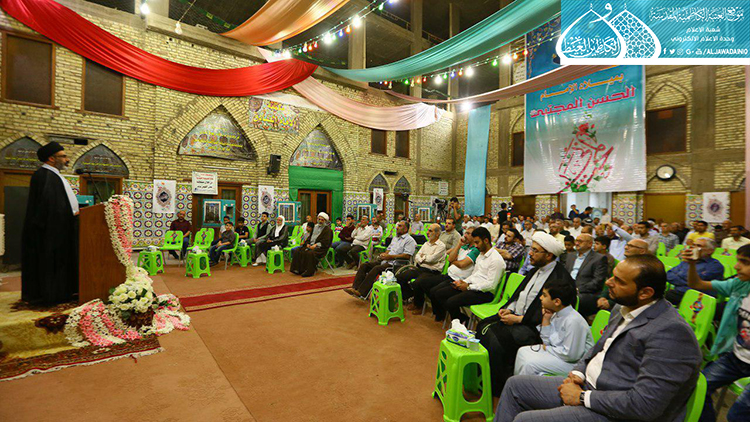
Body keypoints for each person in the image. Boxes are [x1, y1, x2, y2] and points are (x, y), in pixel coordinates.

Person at [496, 254, 703, 422]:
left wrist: (582, 397)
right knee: (515, 386)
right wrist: (578, 373)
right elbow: (597, 349)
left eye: (619, 281)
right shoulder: (622, 308)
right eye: (613, 276)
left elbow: (646, 405)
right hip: (590, 386)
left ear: (645, 293)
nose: (608, 282)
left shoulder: (671, 333)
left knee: (525, 419)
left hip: (618, 412)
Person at [476, 232, 572, 395]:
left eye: (535, 250)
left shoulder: (561, 279)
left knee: (495, 341)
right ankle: (482, 378)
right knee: (483, 326)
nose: (530, 253)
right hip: (517, 317)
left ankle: (498, 387)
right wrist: (510, 308)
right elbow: (520, 295)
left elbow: (554, 314)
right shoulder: (535, 270)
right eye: (531, 249)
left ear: (549, 255)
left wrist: (519, 319)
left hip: (535, 327)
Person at [685, 244, 750, 422]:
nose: (736, 266)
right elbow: (696, 284)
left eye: (745, 262)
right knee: (696, 388)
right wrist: (692, 265)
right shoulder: (740, 285)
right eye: (738, 261)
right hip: (736, 358)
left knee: (737, 415)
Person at [21, 141, 79, 305]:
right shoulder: (44, 176)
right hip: (51, 232)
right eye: (63, 156)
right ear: (51, 158)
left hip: (59, 228)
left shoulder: (53, 175)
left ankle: (63, 292)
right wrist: (70, 214)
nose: (67, 160)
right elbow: (50, 207)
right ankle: (52, 295)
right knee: (50, 263)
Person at [514, 278, 594, 376]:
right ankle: (516, 383)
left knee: (529, 364)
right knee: (522, 351)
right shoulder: (556, 314)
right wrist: (546, 319)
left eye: (544, 295)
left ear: (557, 301)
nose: (541, 298)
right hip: (559, 354)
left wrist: (548, 349)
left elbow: (571, 355)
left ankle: (523, 385)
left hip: (575, 364)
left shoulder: (573, 321)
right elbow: (547, 342)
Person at [428, 227, 504, 324]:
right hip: (472, 286)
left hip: (484, 293)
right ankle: (460, 319)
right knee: (440, 293)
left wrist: (468, 287)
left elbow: (491, 285)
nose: (475, 246)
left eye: (477, 242)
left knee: (451, 301)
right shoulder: (481, 255)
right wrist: (463, 282)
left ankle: (460, 321)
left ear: (486, 241)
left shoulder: (496, 260)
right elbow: (475, 274)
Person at [408, 227, 479, 314]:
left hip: (459, 279)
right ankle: (438, 311)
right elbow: (450, 259)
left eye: (468, 233)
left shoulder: (475, 250)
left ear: (475, 237)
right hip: (449, 275)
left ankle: (442, 313)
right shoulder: (464, 246)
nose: (465, 235)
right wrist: (459, 244)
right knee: (424, 283)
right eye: (465, 233)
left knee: (436, 292)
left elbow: (462, 264)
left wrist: (453, 261)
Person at [344, 220, 416, 298]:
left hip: (396, 264)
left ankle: (361, 292)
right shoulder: (395, 238)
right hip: (386, 261)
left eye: (400, 226)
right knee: (364, 265)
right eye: (397, 225)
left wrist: (390, 257)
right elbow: (389, 249)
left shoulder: (410, 240)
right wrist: (385, 254)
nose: (397, 227)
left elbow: (407, 256)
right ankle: (355, 288)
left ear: (405, 229)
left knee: (376, 268)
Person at [595, 238, 650, 314]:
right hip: (614, 300)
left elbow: (632, 295)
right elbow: (611, 283)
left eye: (631, 246)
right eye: (627, 245)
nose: (626, 247)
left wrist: (610, 303)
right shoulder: (623, 264)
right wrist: (602, 297)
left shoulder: (646, 270)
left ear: (642, 251)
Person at [664, 237, 724, 305]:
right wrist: (687, 281)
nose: (694, 248)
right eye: (694, 245)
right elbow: (669, 274)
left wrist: (680, 277)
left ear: (710, 251)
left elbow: (696, 282)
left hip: (699, 298)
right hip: (678, 293)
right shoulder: (687, 261)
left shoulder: (715, 266)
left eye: (698, 246)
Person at [396, 224, 446, 302]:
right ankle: (409, 296)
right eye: (428, 230)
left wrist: (422, 258)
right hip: (421, 268)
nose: (427, 232)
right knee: (400, 277)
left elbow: (431, 259)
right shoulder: (426, 244)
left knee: (417, 283)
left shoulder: (441, 246)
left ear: (437, 234)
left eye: (430, 231)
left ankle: (418, 305)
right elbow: (417, 256)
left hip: (432, 272)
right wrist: (424, 258)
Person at [565, 234, 609, 318]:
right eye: (576, 241)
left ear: (590, 244)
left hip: (586, 291)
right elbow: (564, 274)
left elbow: (597, 281)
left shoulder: (599, 258)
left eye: (580, 241)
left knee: (572, 298)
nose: (577, 243)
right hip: (568, 287)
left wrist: (578, 289)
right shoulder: (570, 255)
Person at [290, 213, 334, 277]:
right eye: (319, 219)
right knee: (298, 250)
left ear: (325, 221)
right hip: (311, 245)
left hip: (320, 248)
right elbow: (309, 237)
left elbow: (326, 242)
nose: (320, 221)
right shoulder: (315, 227)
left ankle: (309, 271)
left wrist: (316, 245)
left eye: (322, 220)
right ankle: (298, 269)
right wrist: (307, 244)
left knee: (310, 253)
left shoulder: (328, 230)